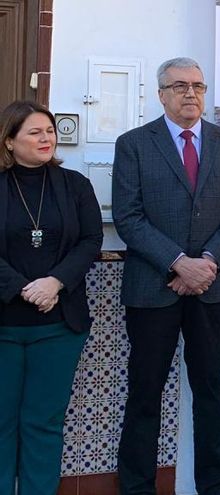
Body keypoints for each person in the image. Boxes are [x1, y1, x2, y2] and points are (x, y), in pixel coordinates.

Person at [112, 57, 220, 495]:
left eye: (197, 85)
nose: (190, 93)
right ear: (160, 94)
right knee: (145, 393)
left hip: (211, 289)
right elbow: (128, 216)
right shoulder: (134, 143)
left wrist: (206, 262)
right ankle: (136, 487)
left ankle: (216, 485)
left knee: (211, 389)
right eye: (179, 86)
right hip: (153, 288)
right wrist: (178, 263)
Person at [0, 100, 102, 495]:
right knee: (2, 423)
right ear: (10, 141)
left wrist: (54, 282)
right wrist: (25, 288)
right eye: (34, 132)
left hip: (59, 326)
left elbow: (91, 240)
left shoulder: (75, 185)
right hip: (5, 324)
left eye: (50, 131)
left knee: (43, 423)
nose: (46, 139)